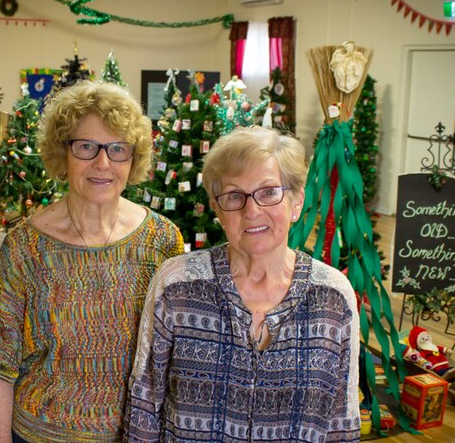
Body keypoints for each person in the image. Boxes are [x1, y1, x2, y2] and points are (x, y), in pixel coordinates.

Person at [0, 81, 184, 443]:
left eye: (118, 149)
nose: (103, 163)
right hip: (39, 434)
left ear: (133, 158)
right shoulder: (26, 246)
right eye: (86, 146)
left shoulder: (162, 241)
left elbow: (177, 357)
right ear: (62, 153)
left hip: (135, 435)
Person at [124, 125, 360, 442]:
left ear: (295, 202)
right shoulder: (177, 284)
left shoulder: (332, 296)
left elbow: (341, 421)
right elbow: (144, 404)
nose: (252, 210)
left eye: (268, 192)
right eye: (234, 196)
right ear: (217, 209)